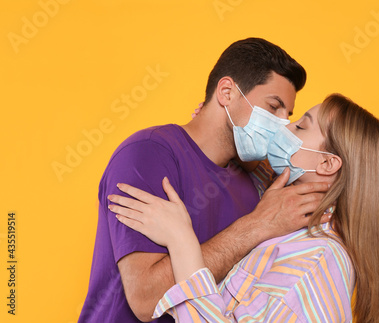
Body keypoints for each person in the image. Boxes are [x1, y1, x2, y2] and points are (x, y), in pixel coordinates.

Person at [78, 38, 331, 323]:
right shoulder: (147, 154)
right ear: (227, 92)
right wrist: (256, 226)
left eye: (290, 116)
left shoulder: (257, 183)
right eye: (274, 108)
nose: (283, 124)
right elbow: (146, 300)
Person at [109, 94, 379, 322]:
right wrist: (220, 125)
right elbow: (254, 171)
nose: (285, 126)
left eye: (300, 126)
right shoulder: (284, 210)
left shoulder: (315, 263)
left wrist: (181, 240)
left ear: (326, 163)